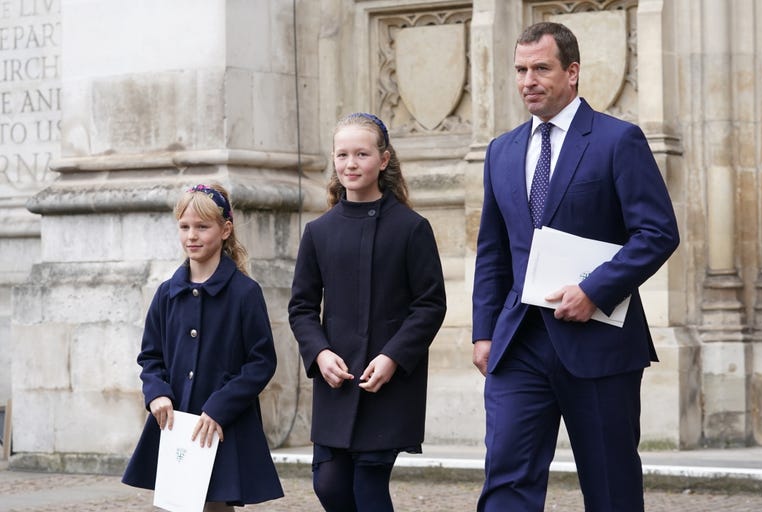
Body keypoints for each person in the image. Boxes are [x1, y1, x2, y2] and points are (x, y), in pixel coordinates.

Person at [472, 22, 679, 512]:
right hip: (518, 342)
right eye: (520, 70)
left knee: (611, 491)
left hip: (599, 343)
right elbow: (493, 250)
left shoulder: (618, 140)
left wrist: (595, 291)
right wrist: (483, 332)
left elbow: (657, 233)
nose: (528, 81)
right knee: (505, 482)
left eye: (541, 68)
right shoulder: (501, 151)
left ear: (572, 72)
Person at [288, 112, 447, 511]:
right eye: (342, 155)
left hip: (388, 382)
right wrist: (319, 353)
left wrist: (393, 357)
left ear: (384, 159)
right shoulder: (319, 231)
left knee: (369, 486)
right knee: (329, 484)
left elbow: (430, 304)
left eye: (362, 154)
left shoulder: (412, 228)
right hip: (337, 379)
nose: (351, 163)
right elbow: (302, 307)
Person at [122, 183, 284, 511]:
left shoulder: (245, 293)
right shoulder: (166, 294)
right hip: (176, 418)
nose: (192, 236)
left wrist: (221, 406)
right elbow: (150, 356)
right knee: (179, 504)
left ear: (225, 230)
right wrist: (156, 393)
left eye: (202, 227)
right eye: (184, 227)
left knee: (216, 505)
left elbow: (261, 361)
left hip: (223, 421)